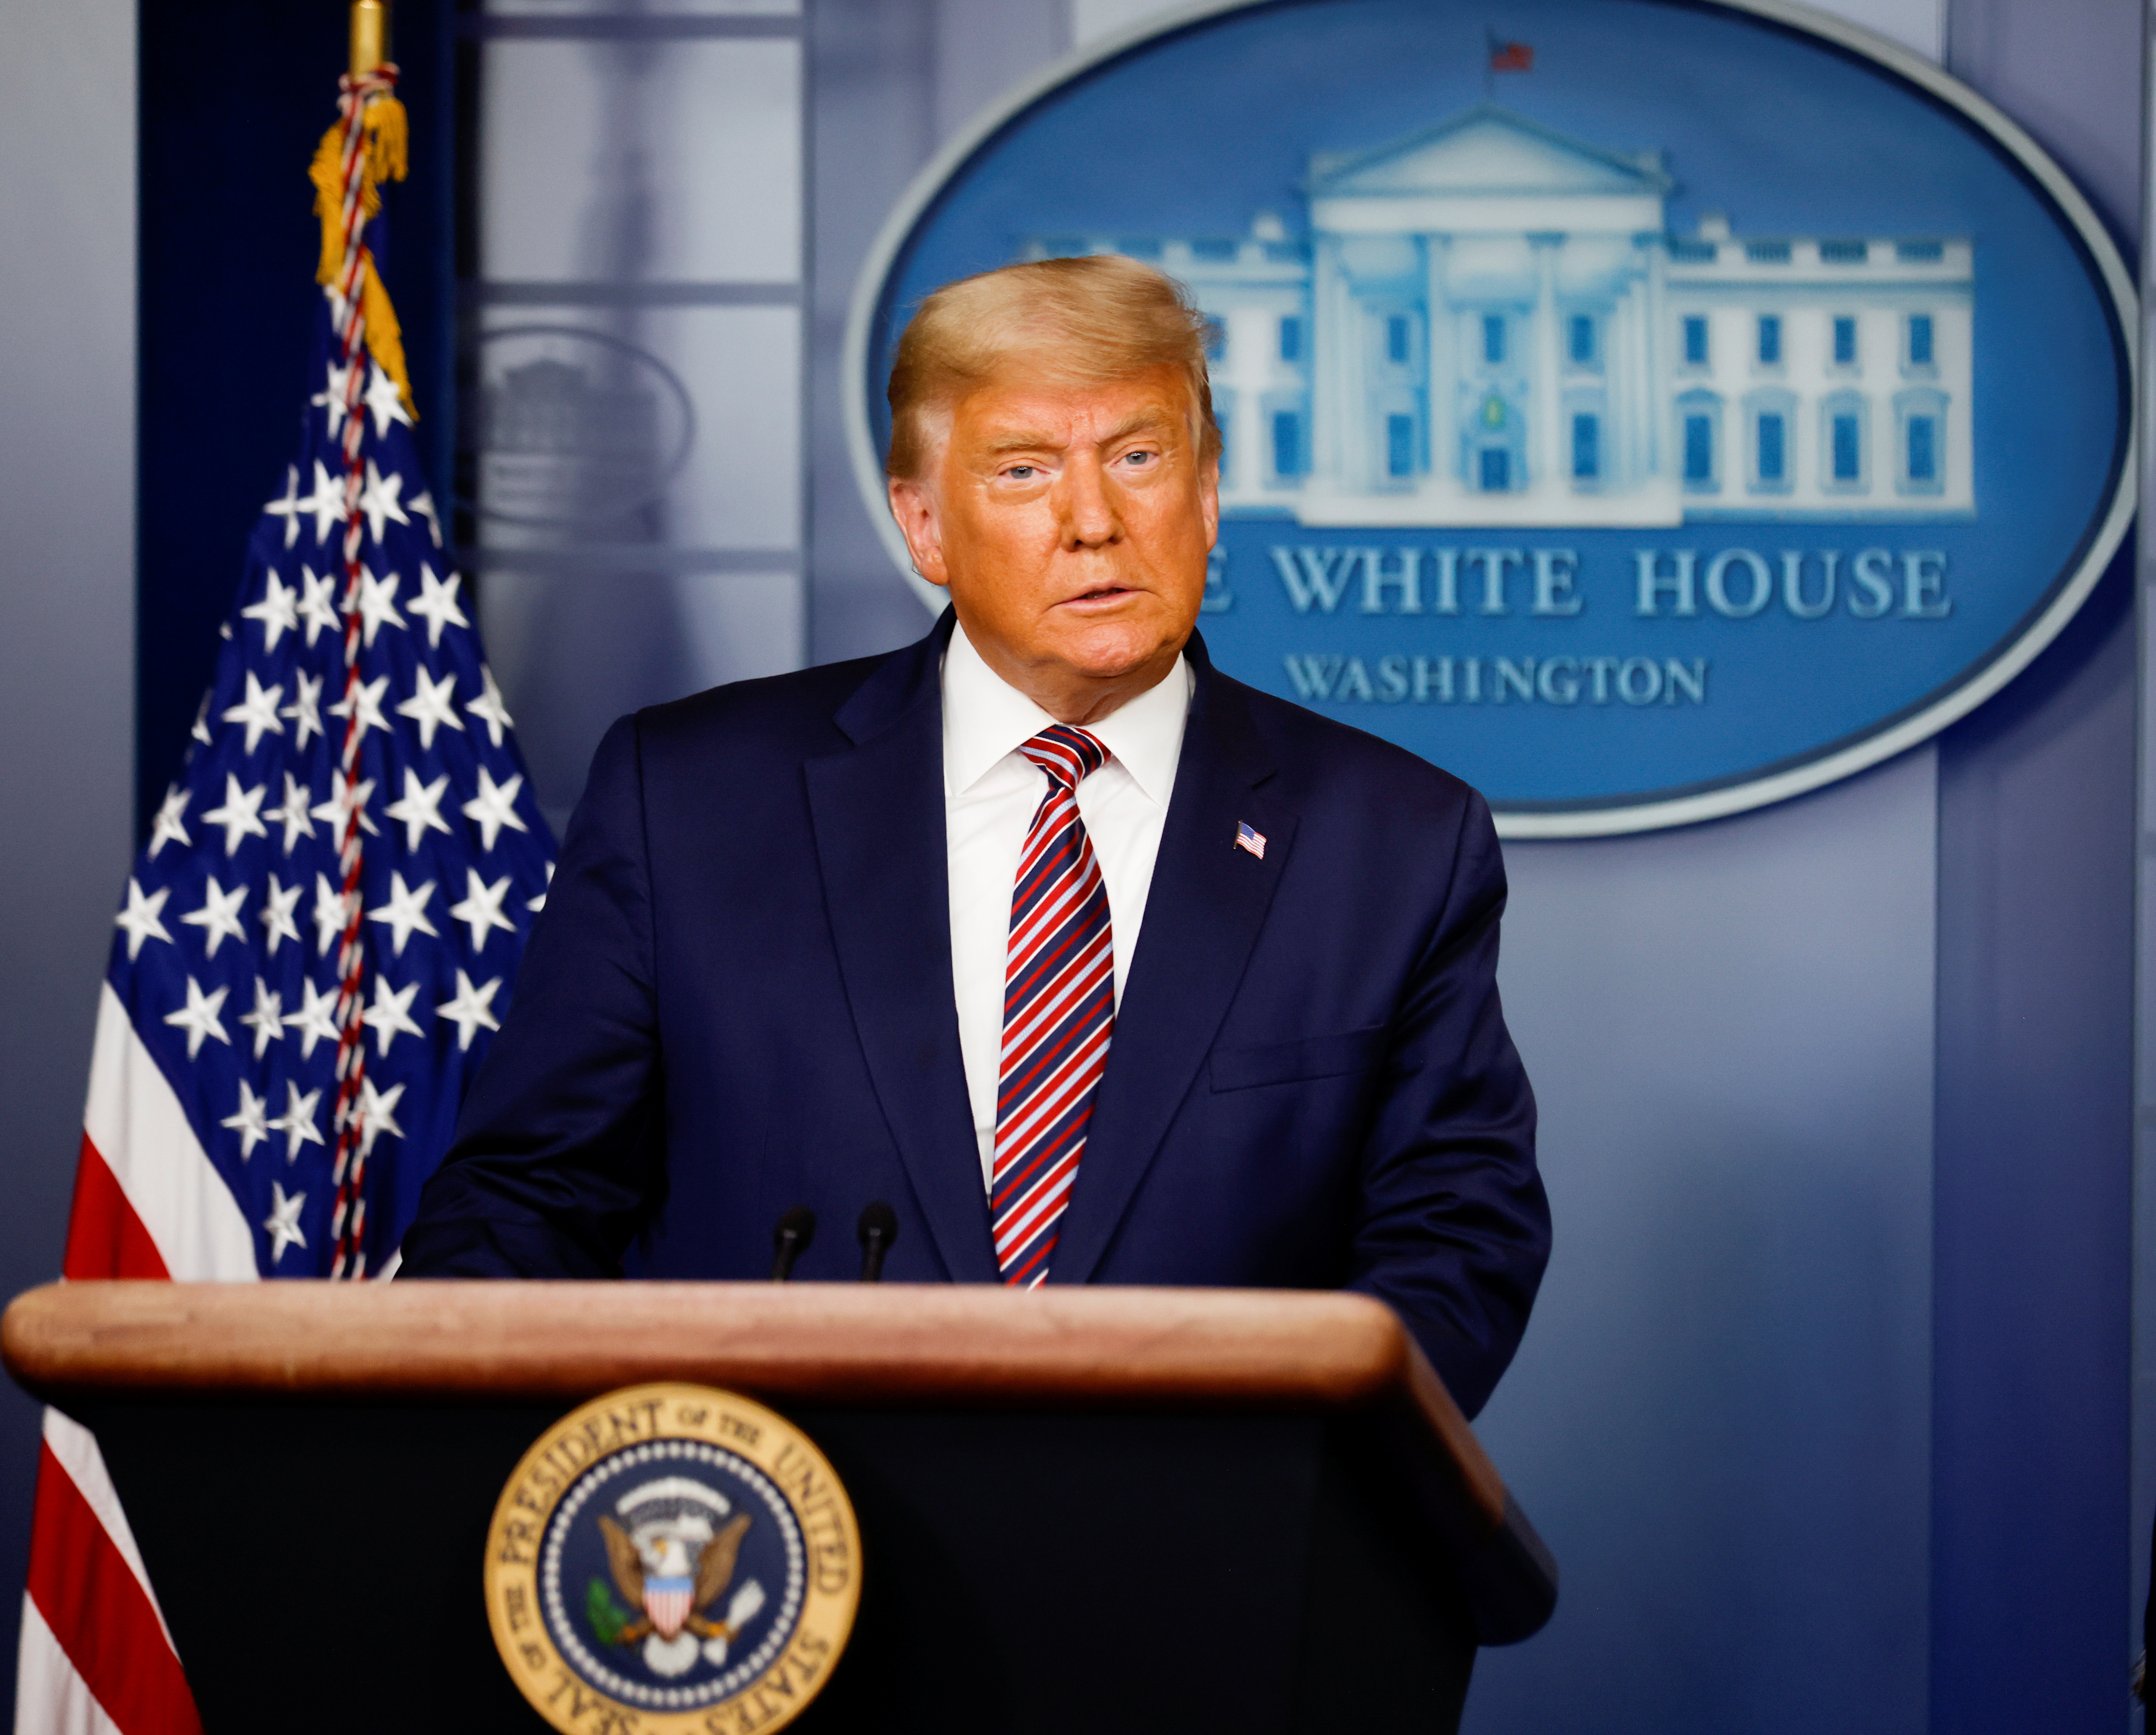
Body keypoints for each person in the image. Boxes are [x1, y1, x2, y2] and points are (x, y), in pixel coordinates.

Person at [399, 255, 1549, 1420]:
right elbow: (522, 1203)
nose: (1093, 521)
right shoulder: (689, 797)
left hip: (1211, 1557)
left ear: (1206, 497)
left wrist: (1294, 1488)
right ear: (924, 525)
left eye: (1139, 457)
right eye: (1022, 470)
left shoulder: (1394, 837)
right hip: (765, 1558)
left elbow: (1454, 1240)